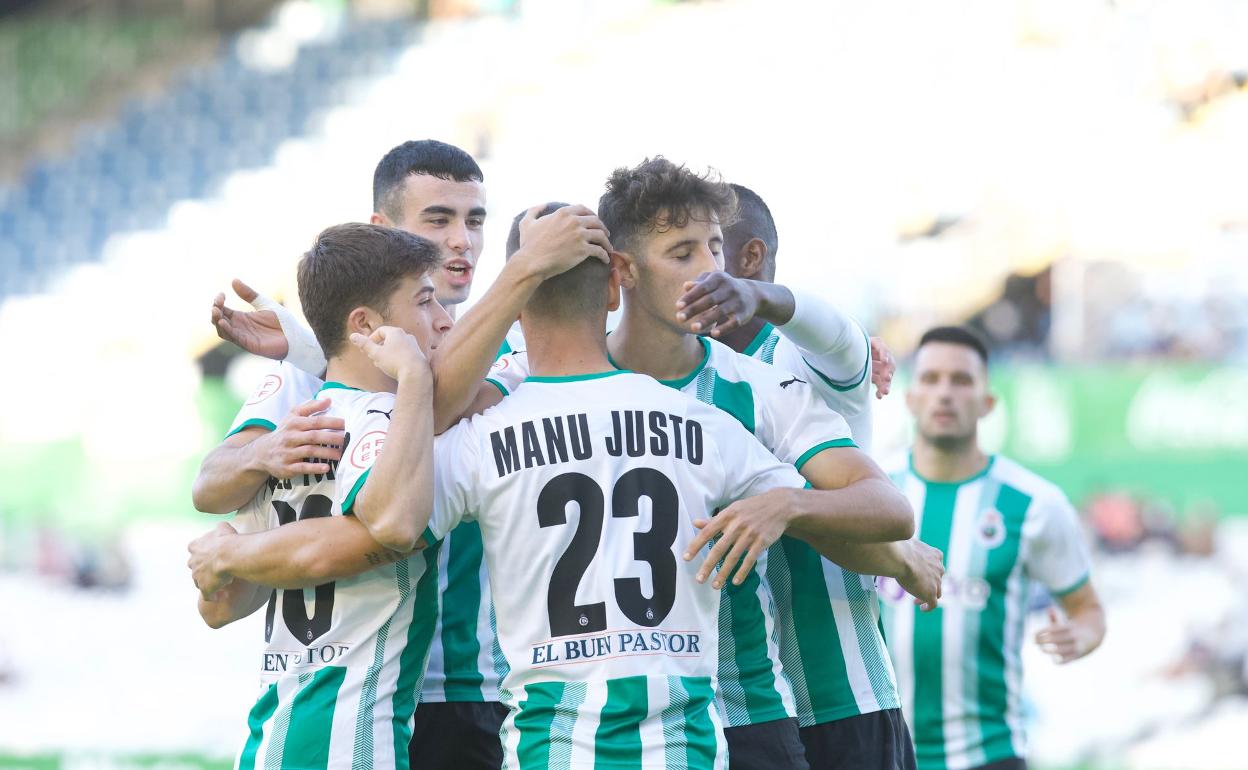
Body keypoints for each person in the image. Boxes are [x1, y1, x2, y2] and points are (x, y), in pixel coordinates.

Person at [473, 162, 940, 770]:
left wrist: (790, 504)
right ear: (624, 272)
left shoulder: (756, 388)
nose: (709, 270)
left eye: (715, 247)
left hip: (747, 715)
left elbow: (887, 508)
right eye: (682, 252)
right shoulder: (546, 384)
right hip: (591, 731)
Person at [192, 139, 610, 770]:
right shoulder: (314, 373)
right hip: (347, 682)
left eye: (474, 221)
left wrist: (318, 350)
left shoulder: (511, 354)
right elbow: (209, 487)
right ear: (385, 233)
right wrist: (266, 449)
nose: (461, 241)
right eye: (437, 219)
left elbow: (428, 409)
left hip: (467, 683)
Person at [194, 223, 446, 769]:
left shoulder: (296, 427)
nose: (444, 320)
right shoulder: (394, 429)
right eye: (426, 302)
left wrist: (223, 556)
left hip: (269, 739)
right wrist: (418, 379)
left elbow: (218, 605)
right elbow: (397, 527)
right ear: (365, 325)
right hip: (355, 746)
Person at [879, 326, 1107, 770]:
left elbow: (1088, 610)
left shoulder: (1034, 503)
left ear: (987, 402)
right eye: (930, 379)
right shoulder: (875, 493)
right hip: (882, 752)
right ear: (909, 397)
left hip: (989, 753)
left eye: (961, 381)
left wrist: (1080, 634)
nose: (944, 393)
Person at [673, 182, 892, 450]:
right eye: (681, 254)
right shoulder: (671, 368)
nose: (693, 268)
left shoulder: (806, 357)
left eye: (714, 249)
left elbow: (842, 339)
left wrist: (754, 294)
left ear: (751, 257)